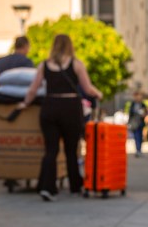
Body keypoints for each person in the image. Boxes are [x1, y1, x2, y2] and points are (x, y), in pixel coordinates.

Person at [18, 34, 103, 202]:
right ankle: (75, 186)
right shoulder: (76, 64)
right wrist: (99, 94)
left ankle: (48, 188)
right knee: (72, 150)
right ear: (70, 46)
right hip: (70, 108)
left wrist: (25, 104)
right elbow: (87, 88)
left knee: (51, 150)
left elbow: (33, 89)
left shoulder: (44, 65)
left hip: (49, 107)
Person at [128, 92, 148, 157]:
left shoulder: (143, 104)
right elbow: (130, 114)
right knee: (136, 136)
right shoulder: (133, 104)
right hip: (134, 122)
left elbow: (147, 112)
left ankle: (139, 149)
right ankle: (138, 150)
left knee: (140, 136)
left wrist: (144, 115)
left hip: (140, 122)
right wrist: (129, 122)